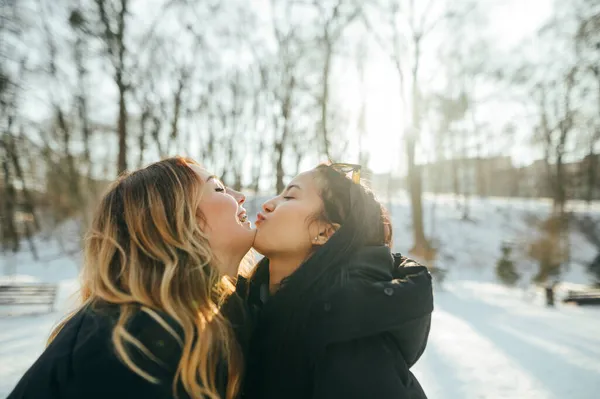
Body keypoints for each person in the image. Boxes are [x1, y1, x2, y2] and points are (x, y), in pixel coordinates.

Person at [8, 156, 256, 399]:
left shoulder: (199, 315)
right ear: (178, 222)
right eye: (219, 188)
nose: (240, 196)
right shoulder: (127, 343)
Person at [240, 163, 433, 399]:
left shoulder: (347, 346)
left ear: (324, 233)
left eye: (290, 196)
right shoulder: (251, 304)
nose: (268, 204)